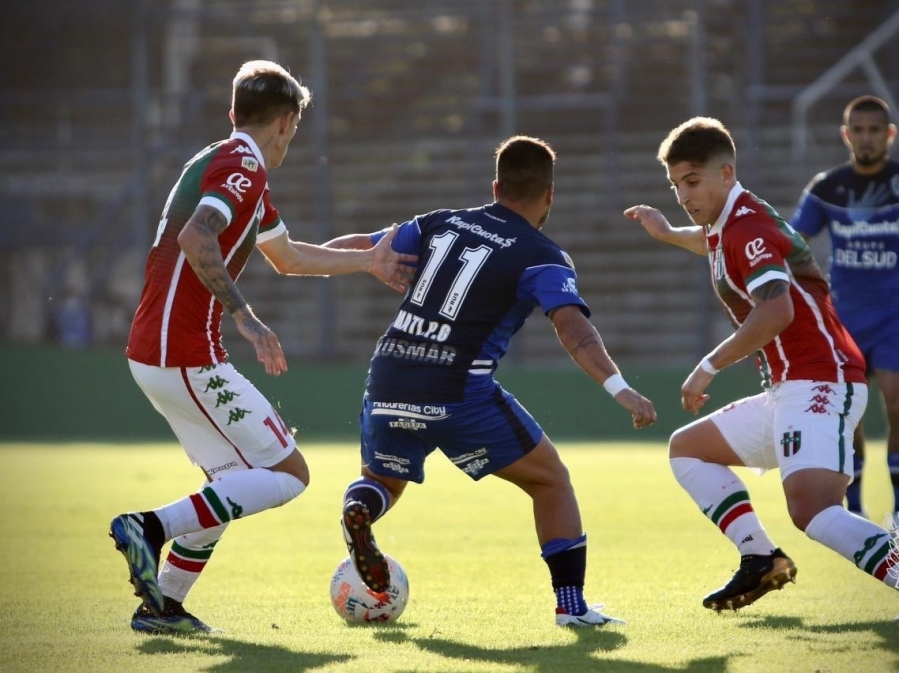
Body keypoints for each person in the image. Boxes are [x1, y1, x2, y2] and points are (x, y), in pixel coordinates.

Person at [109, 60, 417, 635]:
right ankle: (146, 527)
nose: (291, 141)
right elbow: (196, 234)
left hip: (155, 354)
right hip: (185, 355)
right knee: (289, 474)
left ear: (234, 114)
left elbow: (290, 256)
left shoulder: (227, 162)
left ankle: (163, 605)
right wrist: (245, 316)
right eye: (294, 128)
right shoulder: (243, 165)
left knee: (229, 487)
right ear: (285, 122)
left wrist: (368, 261)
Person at [326, 135, 657, 627]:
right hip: (460, 389)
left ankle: (358, 508)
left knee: (382, 482)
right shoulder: (542, 254)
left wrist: (302, 256)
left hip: (391, 372)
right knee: (550, 481)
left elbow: (355, 248)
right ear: (549, 194)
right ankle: (571, 607)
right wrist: (619, 388)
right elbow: (572, 327)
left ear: (496, 185)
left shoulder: (438, 223)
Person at [624, 117, 899, 613]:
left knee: (814, 511)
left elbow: (778, 308)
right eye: (675, 186)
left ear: (725, 174)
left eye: (692, 181)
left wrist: (708, 365)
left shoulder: (745, 226)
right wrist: (667, 234)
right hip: (789, 387)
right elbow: (712, 244)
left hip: (822, 379)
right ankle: (760, 559)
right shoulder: (731, 222)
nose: (684, 196)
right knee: (688, 450)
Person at [790, 95, 899, 527]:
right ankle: (852, 506)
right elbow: (794, 242)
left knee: (896, 404)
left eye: (876, 130)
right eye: (859, 130)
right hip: (845, 317)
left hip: (893, 317)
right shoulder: (827, 187)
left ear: (889, 135)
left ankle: (897, 509)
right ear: (846, 134)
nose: (867, 138)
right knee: (847, 413)